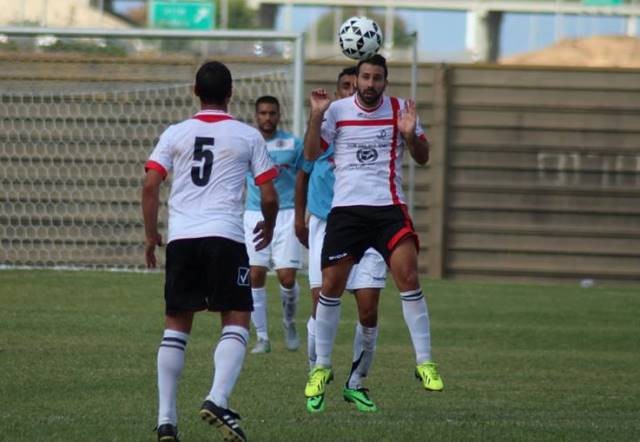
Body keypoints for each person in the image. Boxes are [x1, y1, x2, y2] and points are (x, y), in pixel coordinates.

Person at [142, 61, 278, 442]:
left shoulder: (176, 133)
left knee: (176, 325)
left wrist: (152, 236)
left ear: (195, 91)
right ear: (231, 93)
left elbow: (150, 185)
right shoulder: (248, 136)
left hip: (182, 239)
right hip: (225, 237)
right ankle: (218, 398)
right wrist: (269, 224)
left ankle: (166, 421)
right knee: (237, 318)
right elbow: (269, 195)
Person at [302, 54, 444, 409]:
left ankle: (425, 362)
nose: (369, 84)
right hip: (346, 211)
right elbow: (311, 153)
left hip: (388, 209)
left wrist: (410, 135)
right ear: (358, 79)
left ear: (385, 81)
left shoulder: (400, 109)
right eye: (365, 77)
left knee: (408, 276)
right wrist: (316, 115)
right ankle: (321, 367)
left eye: (376, 78)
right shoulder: (337, 111)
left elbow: (424, 156)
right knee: (330, 288)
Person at [294, 66, 387, 413]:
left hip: (370, 223)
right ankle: (315, 374)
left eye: (355, 84)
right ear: (337, 93)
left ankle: (357, 382)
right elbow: (303, 171)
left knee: (369, 307)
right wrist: (299, 219)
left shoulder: (377, 126)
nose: (352, 90)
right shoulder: (326, 125)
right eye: (345, 86)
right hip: (325, 222)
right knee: (321, 302)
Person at [243, 95, 304, 354]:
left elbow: (304, 177)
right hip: (254, 214)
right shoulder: (247, 142)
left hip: (286, 214)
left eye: (272, 113)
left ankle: (289, 323)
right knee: (255, 274)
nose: (267, 118)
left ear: (279, 115)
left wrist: (303, 213)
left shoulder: (293, 144)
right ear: (256, 115)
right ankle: (262, 337)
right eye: (263, 113)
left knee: (286, 277)